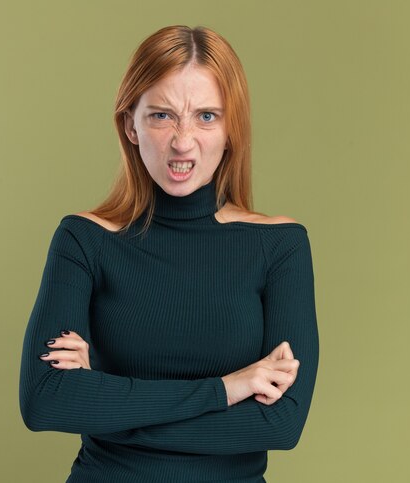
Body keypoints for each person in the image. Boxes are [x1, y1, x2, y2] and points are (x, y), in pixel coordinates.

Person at [19, 25, 319, 483]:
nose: (182, 141)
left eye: (205, 116)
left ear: (231, 129)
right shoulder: (83, 240)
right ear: (130, 125)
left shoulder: (280, 247)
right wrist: (226, 389)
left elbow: (280, 424)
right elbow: (45, 401)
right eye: (161, 115)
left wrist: (105, 401)